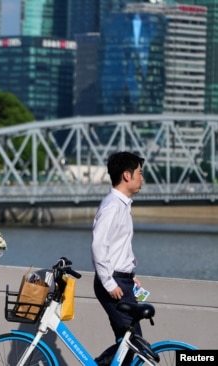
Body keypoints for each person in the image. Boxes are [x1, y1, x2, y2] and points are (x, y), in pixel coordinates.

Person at [90, 151, 145, 366]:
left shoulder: (121, 205)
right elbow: (98, 245)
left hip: (122, 280)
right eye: (140, 173)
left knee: (128, 343)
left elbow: (116, 247)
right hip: (113, 283)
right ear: (127, 176)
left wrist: (130, 275)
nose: (143, 178)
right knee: (134, 343)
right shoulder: (112, 206)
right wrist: (110, 282)